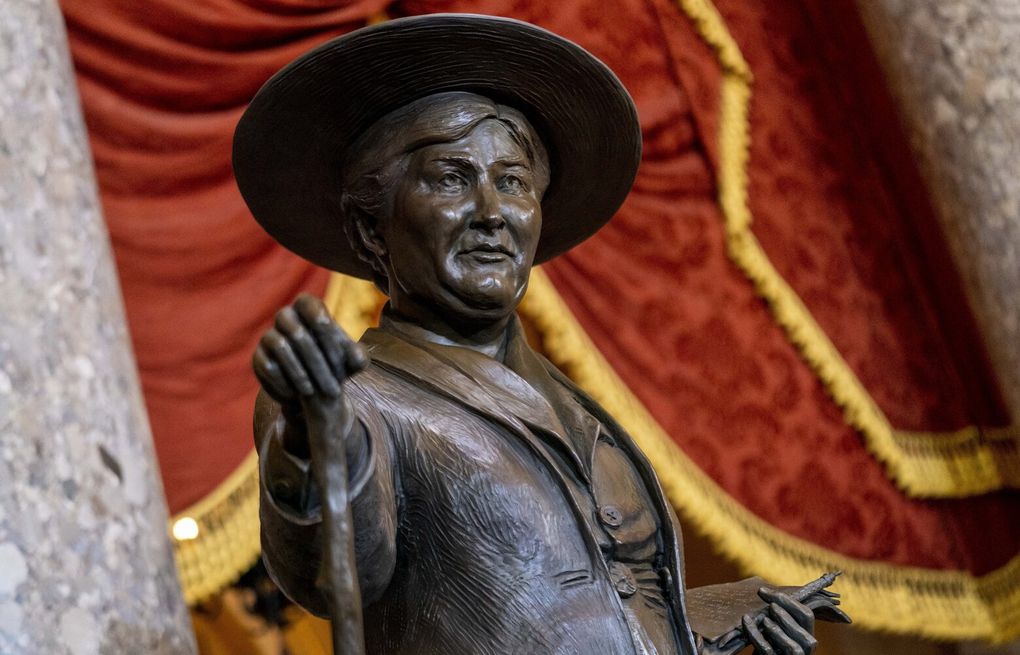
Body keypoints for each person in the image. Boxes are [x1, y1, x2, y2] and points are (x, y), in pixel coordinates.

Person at [235, 14, 846, 655]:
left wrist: (720, 616)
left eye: (513, 183)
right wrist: (315, 440)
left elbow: (569, 613)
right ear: (370, 232)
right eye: (450, 179)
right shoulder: (351, 397)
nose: (492, 214)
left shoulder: (576, 404)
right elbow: (340, 579)